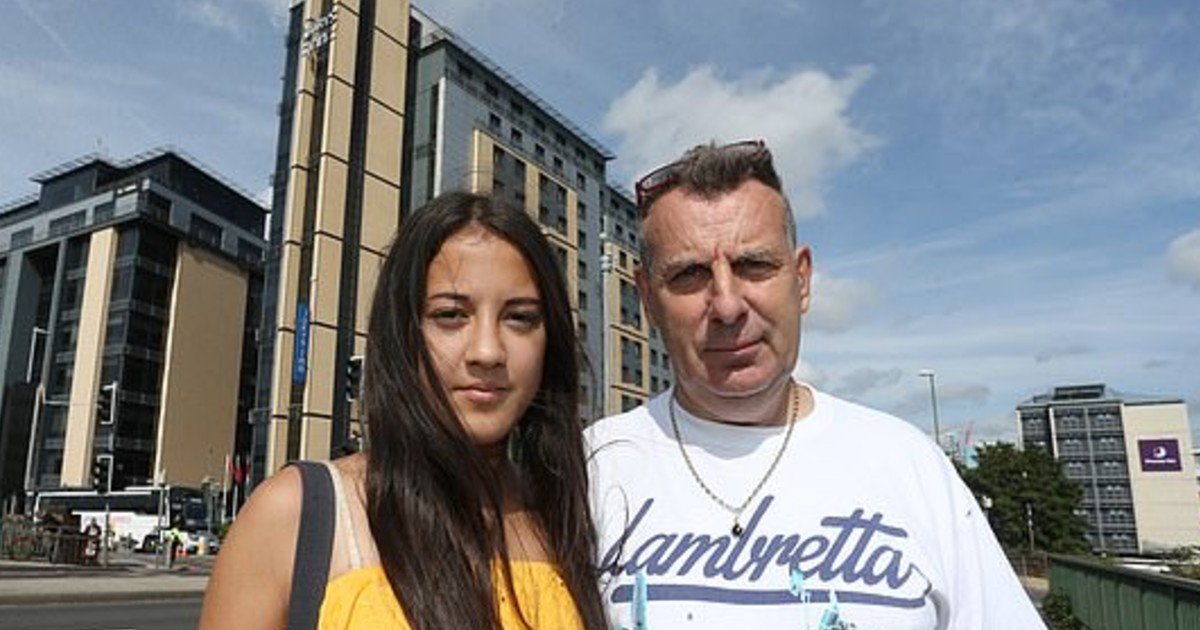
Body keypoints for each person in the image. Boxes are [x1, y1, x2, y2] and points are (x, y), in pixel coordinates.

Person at [586, 140, 1044, 628]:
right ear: (647, 302)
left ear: (802, 280)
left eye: (754, 266)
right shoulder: (590, 467)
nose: (727, 306)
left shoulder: (910, 466)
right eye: (690, 275)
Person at [201, 192, 606, 629]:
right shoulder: (295, 514)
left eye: (520, 318)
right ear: (402, 335)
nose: (488, 351)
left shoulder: (570, 514)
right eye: (450, 315)